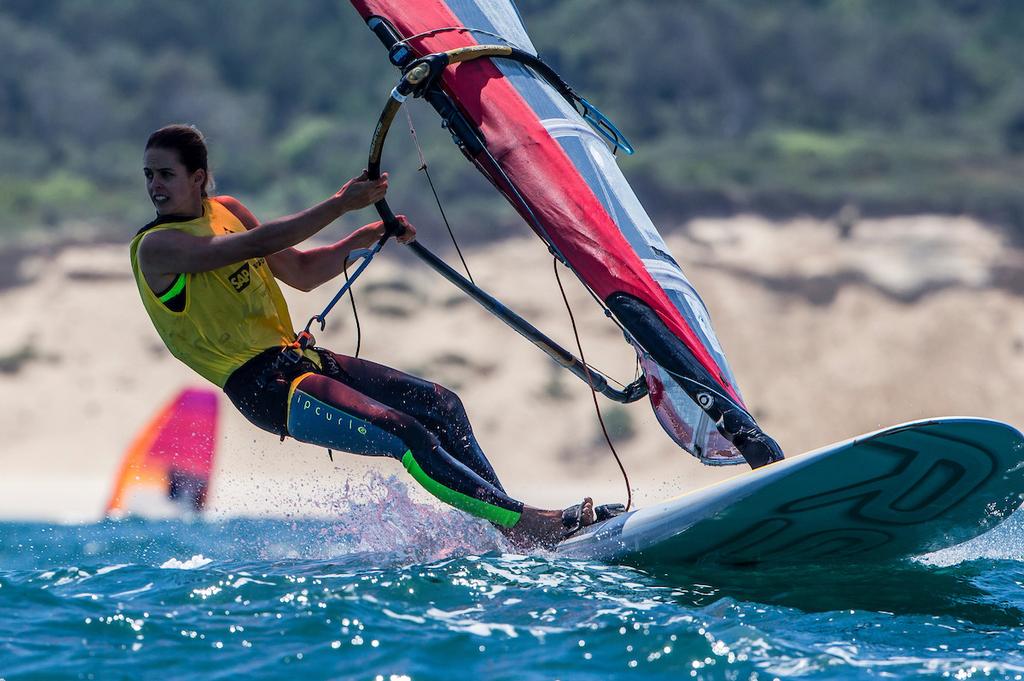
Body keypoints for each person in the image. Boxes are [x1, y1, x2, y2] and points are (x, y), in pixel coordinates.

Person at [130, 124, 604, 548]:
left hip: (298, 360)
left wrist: (358, 239)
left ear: (197, 177)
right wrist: (340, 203)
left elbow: (299, 270)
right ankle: (527, 525)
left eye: (165, 174)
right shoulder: (156, 247)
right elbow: (256, 244)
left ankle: (513, 528)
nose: (154, 186)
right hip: (265, 387)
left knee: (442, 405)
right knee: (404, 433)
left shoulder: (227, 210)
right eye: (149, 174)